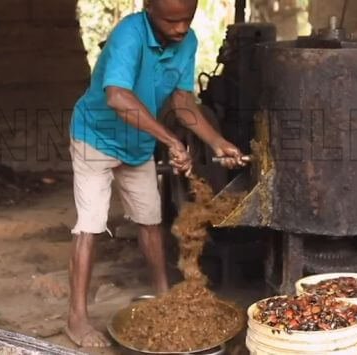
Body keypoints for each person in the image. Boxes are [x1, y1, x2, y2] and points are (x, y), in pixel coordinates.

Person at [65, 0, 245, 347]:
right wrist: (170, 139)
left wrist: (216, 141)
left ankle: (164, 298)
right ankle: (77, 319)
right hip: (95, 137)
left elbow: (182, 101)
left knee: (150, 219)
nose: (180, 29)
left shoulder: (187, 41)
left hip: (137, 143)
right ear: (149, 9)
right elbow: (117, 97)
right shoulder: (129, 34)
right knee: (90, 225)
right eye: (171, 21)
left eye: (187, 19)